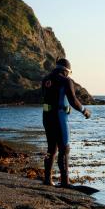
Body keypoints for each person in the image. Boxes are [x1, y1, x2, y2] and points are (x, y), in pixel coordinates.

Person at [42, 58, 91, 186]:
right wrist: (84, 110)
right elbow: (73, 101)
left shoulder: (46, 79)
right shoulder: (66, 81)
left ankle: (47, 179)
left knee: (51, 148)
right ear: (66, 71)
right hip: (60, 117)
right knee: (64, 148)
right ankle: (65, 181)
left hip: (46, 116)